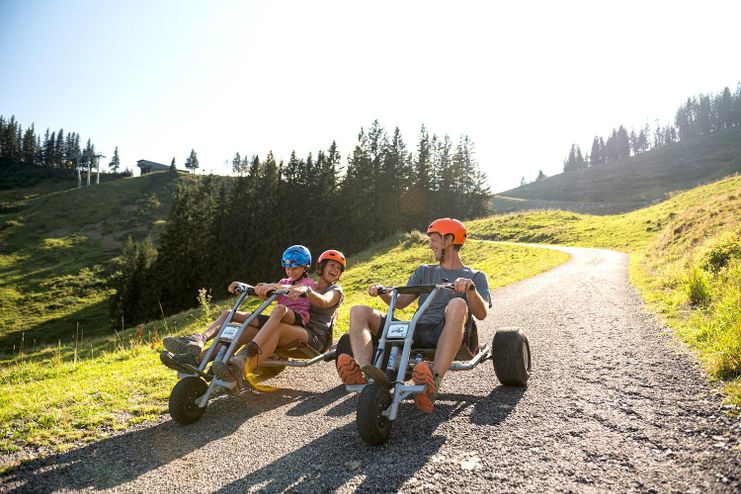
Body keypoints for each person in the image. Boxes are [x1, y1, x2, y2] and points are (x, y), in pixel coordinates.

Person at [337, 218, 491, 413]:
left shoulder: (475, 276)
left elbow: (482, 313)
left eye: (434, 240)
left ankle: (433, 380)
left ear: (450, 239)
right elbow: (400, 302)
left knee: (457, 303)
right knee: (358, 310)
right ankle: (365, 374)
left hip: (446, 331)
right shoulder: (424, 271)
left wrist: (470, 290)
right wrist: (382, 292)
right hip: (416, 330)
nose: (430, 246)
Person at [160, 245, 315, 370]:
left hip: (296, 320)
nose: (291, 271)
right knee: (229, 314)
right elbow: (264, 291)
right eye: (288, 268)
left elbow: (293, 289)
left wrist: (272, 286)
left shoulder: (309, 284)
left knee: (278, 310)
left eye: (295, 268)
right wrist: (245, 286)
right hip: (275, 320)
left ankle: (249, 351)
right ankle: (199, 343)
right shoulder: (284, 281)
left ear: (305, 267)